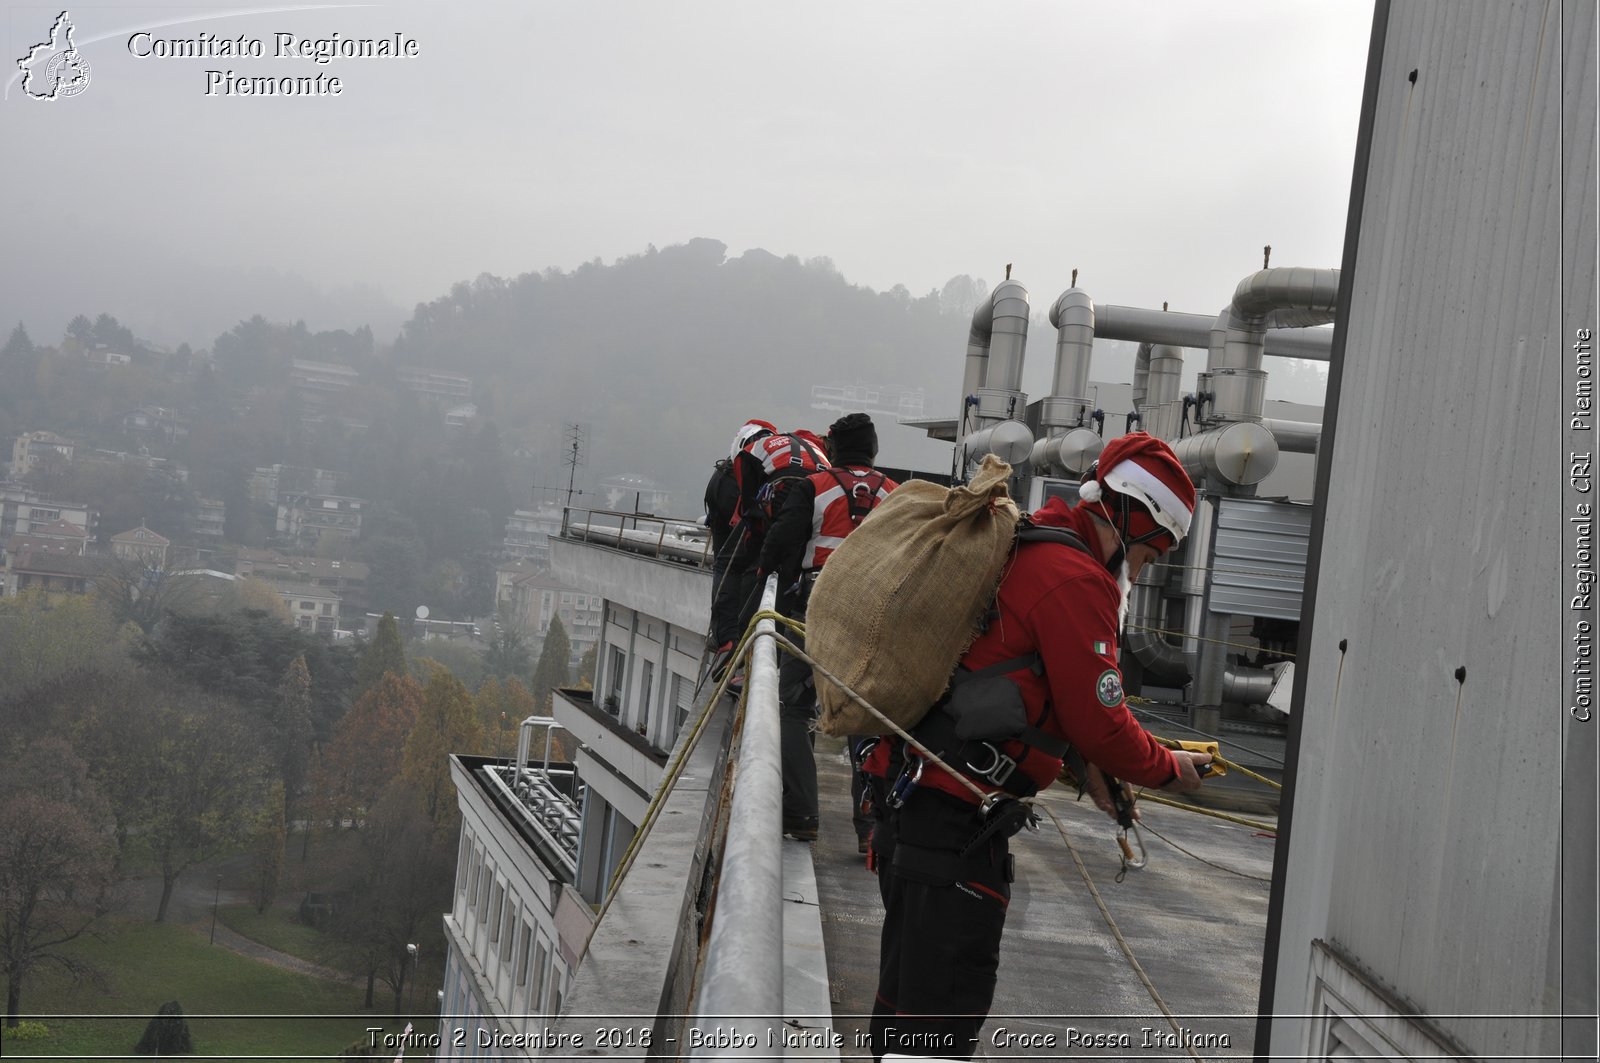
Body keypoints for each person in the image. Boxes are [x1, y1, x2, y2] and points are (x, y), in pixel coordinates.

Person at [865, 432, 1214, 1061]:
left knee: (905, 1015)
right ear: (1136, 516)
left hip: (919, 811)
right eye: (1156, 548)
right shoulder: (1076, 580)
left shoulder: (1037, 543)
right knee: (934, 1031)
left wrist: (1091, 764)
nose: (1149, 564)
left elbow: (1036, 685)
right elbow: (1101, 718)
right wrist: (1166, 768)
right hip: (954, 831)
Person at [758, 413, 897, 843]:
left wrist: (762, 579)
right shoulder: (893, 495)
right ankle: (869, 825)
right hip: (872, 617)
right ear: (873, 450)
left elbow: (780, 541)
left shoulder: (813, 487)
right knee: (867, 716)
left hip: (813, 612)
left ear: (833, 447)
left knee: (794, 710)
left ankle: (802, 816)